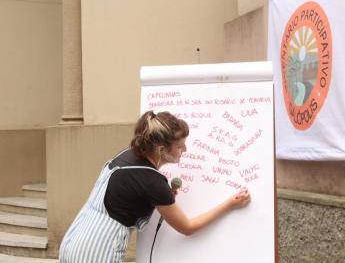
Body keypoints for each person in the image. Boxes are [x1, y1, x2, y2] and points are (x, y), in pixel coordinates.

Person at [59, 110, 251, 263]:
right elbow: (187, 227)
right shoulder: (153, 181)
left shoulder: (128, 155)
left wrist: (159, 196)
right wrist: (230, 204)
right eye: (179, 146)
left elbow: (129, 194)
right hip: (97, 253)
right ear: (161, 149)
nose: (185, 150)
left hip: (73, 242)